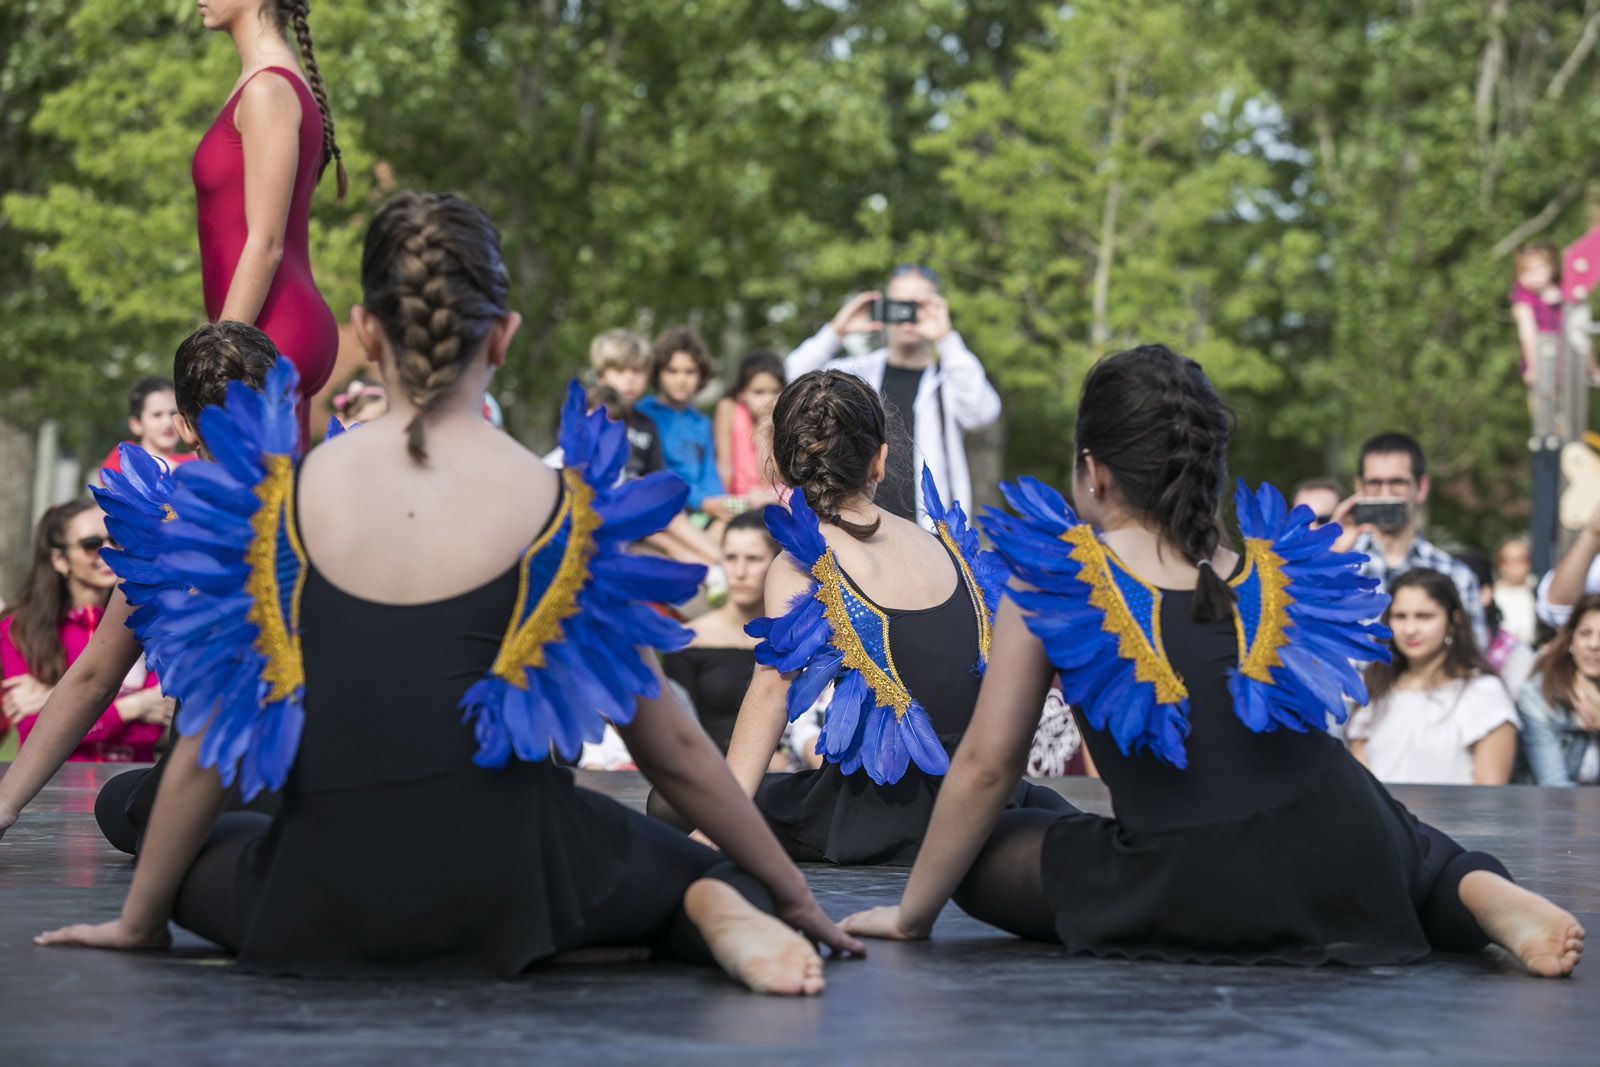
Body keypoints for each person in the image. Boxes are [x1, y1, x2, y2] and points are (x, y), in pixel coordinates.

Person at [34, 193, 861, 993]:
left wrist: (143, 919)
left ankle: (663, 906)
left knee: (168, 825)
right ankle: (701, 903)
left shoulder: (276, 511)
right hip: (512, 878)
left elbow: (212, 737)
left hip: (327, 891)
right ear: (502, 337)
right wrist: (789, 892)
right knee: (665, 852)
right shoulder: (560, 509)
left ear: (365, 332)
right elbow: (672, 747)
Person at [840, 344, 1584, 978]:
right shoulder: (1279, 570)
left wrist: (913, 913)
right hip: (1342, 847)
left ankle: (1457, 888)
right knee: (1398, 838)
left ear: (1094, 472)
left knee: (984, 840)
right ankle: (1481, 893)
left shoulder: (1056, 577)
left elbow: (986, 765)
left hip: (1190, 878)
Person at [651, 371, 1066, 865]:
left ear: (780, 466)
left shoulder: (803, 562)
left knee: (672, 802)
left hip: (884, 809)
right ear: (880, 460)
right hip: (981, 796)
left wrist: (721, 826)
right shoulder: (944, 545)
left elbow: (771, 693)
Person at [0, 322, 280, 845]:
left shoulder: (164, 529)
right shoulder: (335, 502)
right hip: (326, 775)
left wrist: (5, 802)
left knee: (120, 800)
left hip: (209, 779)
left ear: (185, 427)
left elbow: (94, 679)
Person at [194, 0, 345, 448]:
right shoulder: (261, 85)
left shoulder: (268, 91)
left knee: (262, 514)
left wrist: (212, 367)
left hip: (270, 332)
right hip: (260, 333)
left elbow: (266, 243)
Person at [784, 265, 1000, 527]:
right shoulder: (858, 373)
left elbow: (983, 412)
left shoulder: (949, 378)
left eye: (919, 305)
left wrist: (946, 339)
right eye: (900, 304)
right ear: (885, 307)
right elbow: (790, 382)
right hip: (862, 526)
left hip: (931, 535)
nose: (908, 314)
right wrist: (836, 331)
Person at [0, 503, 169, 761]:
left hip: (129, 783)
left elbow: (155, 727)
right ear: (59, 559)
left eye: (115, 539)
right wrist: (134, 706)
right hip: (53, 789)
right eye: (92, 545)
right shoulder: (20, 627)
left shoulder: (147, 621)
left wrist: (52, 699)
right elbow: (34, 732)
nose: (109, 551)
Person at [1347, 569, 1519, 786]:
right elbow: (1361, 785)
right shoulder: (1376, 687)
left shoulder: (1483, 691)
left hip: (1452, 820)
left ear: (1453, 620)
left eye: (1424, 616)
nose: (1410, 629)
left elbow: (1491, 795)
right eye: (1400, 616)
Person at [589, 329, 727, 594]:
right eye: (620, 372)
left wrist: (718, 503)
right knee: (669, 520)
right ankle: (724, 563)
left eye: (636, 372)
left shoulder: (646, 423)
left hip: (655, 509)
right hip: (615, 505)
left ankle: (715, 572)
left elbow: (657, 471)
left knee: (672, 534)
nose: (629, 380)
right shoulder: (604, 415)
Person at [1330, 432, 1487, 647]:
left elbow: (1472, 662)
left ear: (1421, 488)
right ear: (1359, 488)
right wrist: (1329, 555)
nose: (1386, 493)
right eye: (1375, 483)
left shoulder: (1456, 576)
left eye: (1397, 482)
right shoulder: (1337, 565)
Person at [663, 512, 791, 762]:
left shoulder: (795, 637)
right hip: (712, 771)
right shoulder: (690, 639)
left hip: (791, 767)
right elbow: (677, 731)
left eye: (753, 559)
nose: (740, 572)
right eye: (731, 558)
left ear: (776, 563)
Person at [1514, 594, 1600, 786]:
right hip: (1551, 812)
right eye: (1585, 633)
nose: (1594, 645)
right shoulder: (1538, 695)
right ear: (1571, 640)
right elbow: (1555, 787)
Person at [714, 350, 785, 503]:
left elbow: (768, 480)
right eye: (759, 392)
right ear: (741, 393)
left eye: (775, 391)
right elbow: (724, 463)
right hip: (737, 498)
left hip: (771, 495)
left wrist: (764, 429)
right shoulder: (729, 408)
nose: (768, 399)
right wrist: (724, 500)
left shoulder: (780, 419)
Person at [97, 377, 196, 479]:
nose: (168, 422)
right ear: (136, 424)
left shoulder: (191, 462)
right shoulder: (125, 453)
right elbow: (108, 478)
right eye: (157, 414)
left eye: (173, 413)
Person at [1492, 537, 1537, 645]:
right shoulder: (1492, 594)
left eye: (1521, 559)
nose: (1515, 565)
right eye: (1508, 560)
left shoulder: (1539, 591)